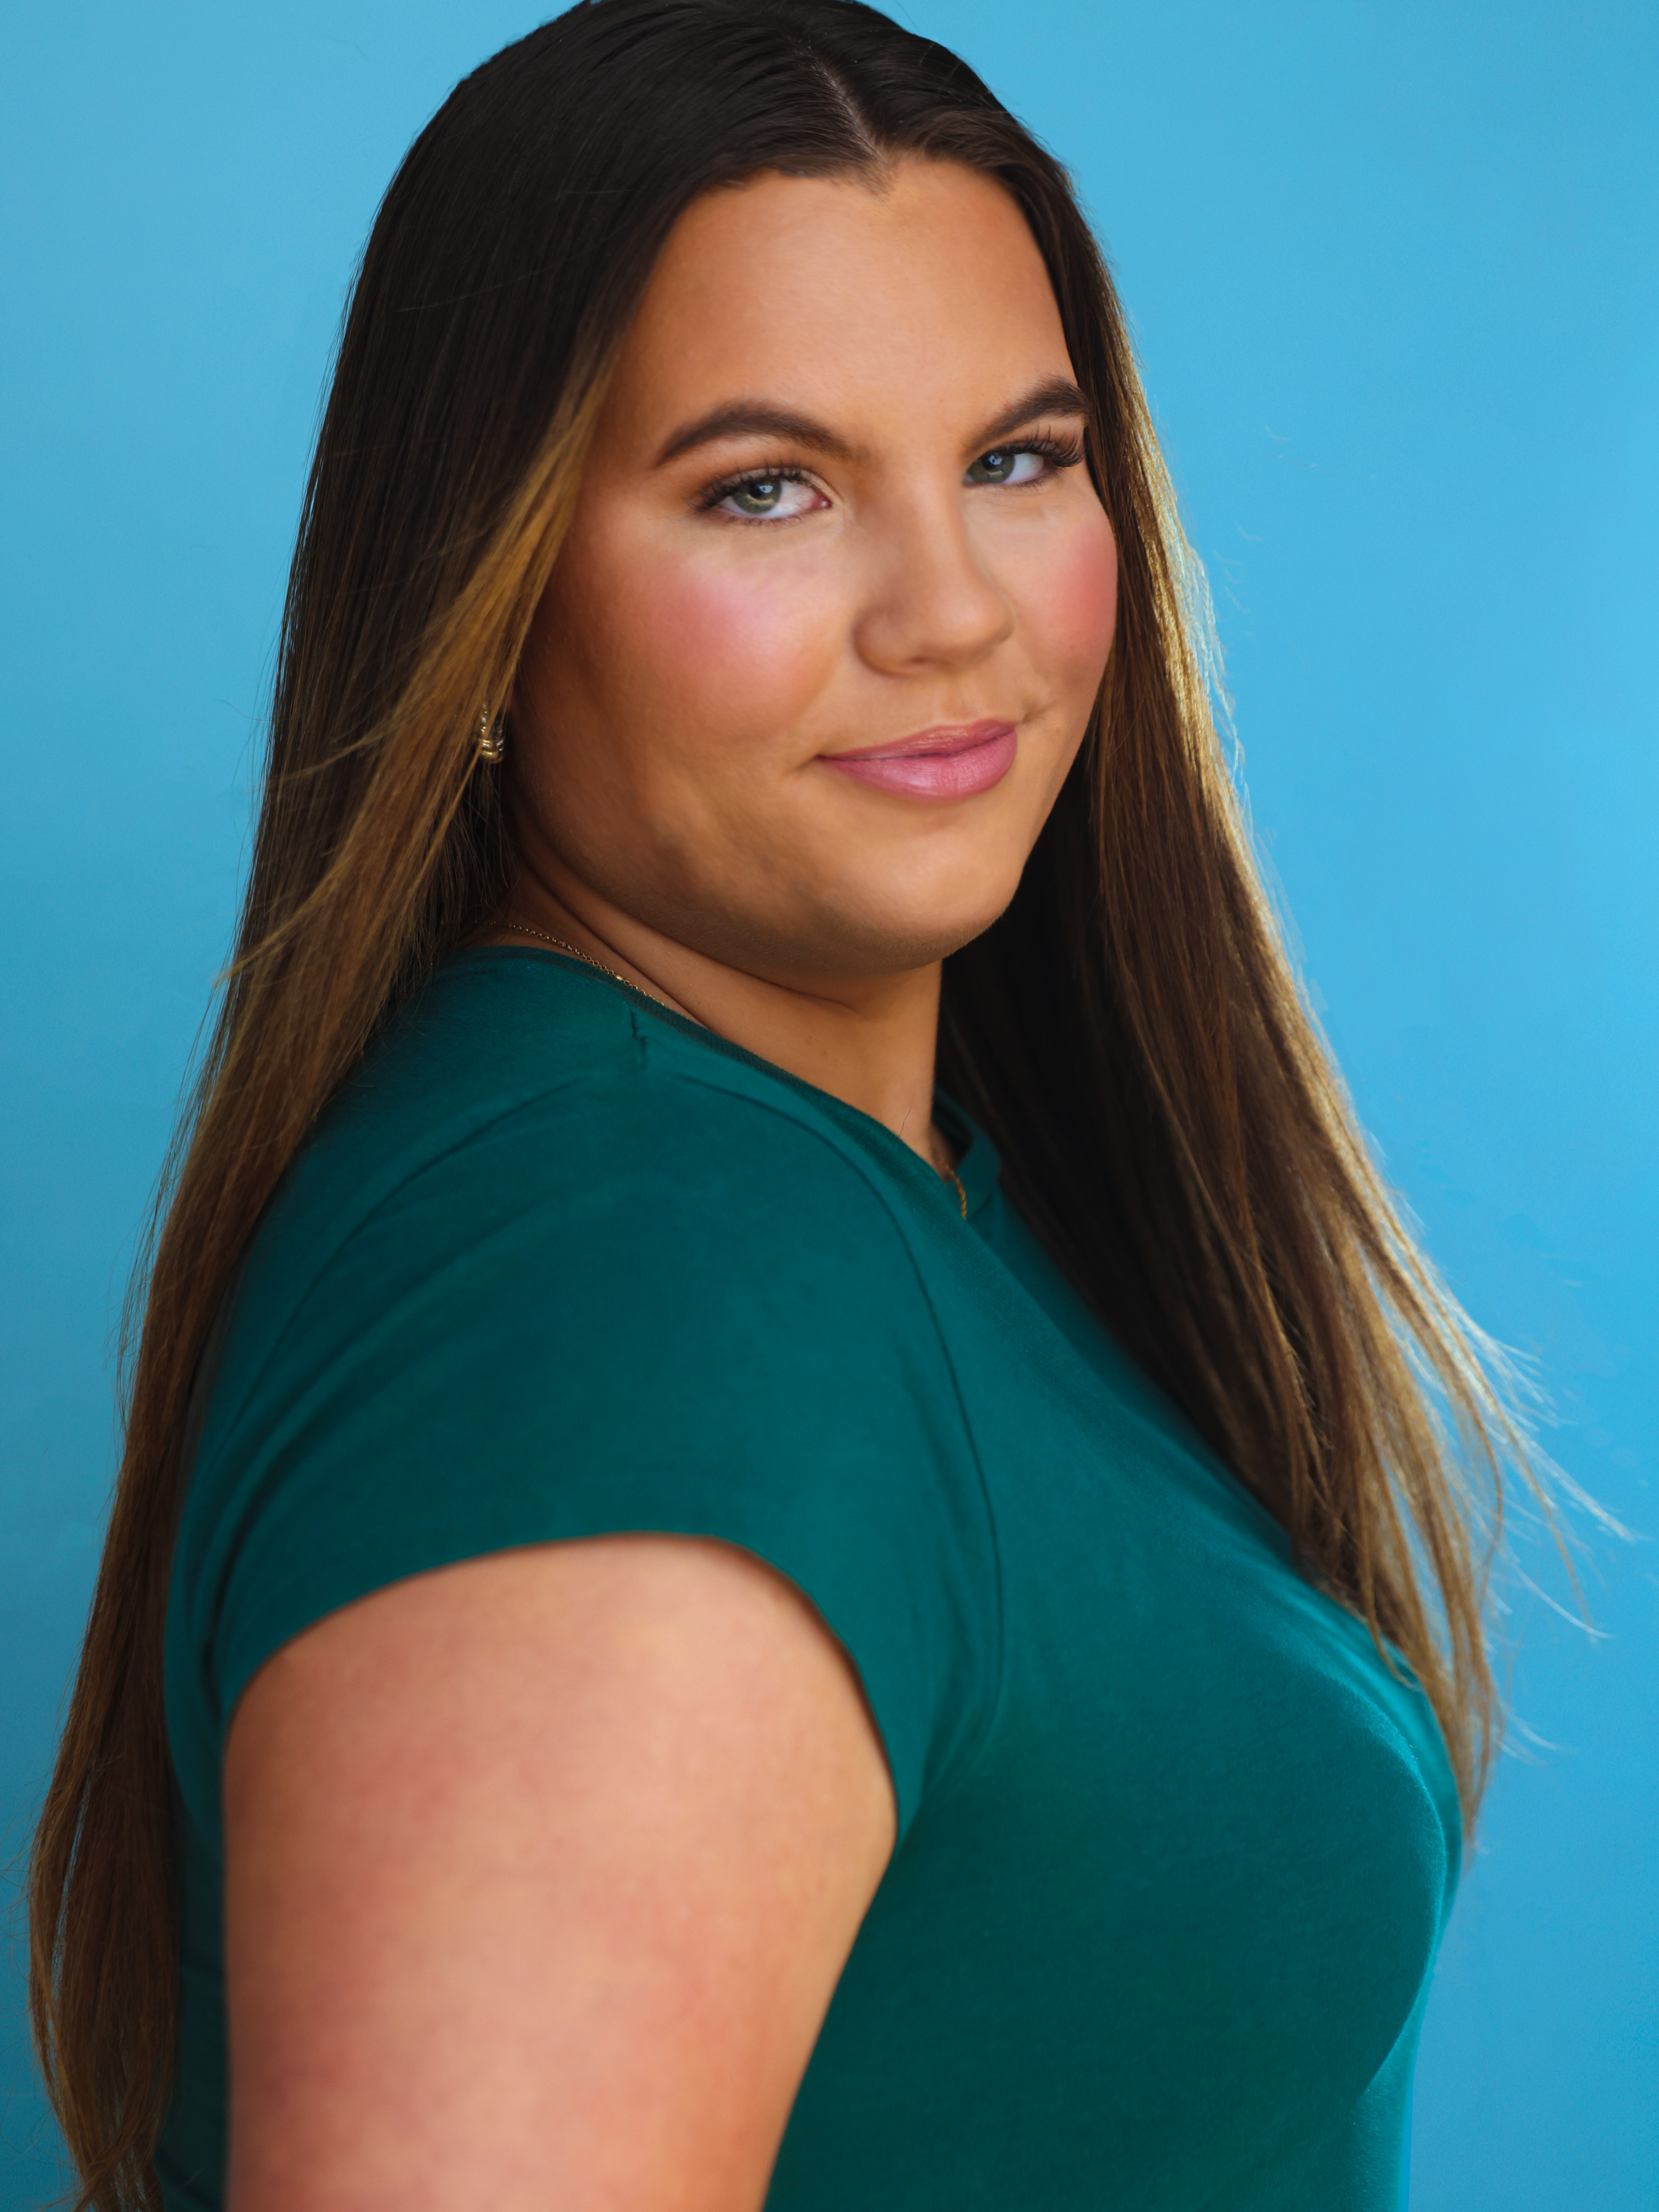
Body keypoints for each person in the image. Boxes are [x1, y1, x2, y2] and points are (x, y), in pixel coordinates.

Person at [28, 3, 1541, 2206]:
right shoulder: (628, 1298)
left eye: (1017, 459)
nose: (949, 612)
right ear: (486, 594)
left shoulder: (879, 1197)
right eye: (766, 488)